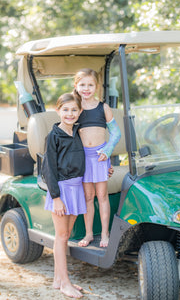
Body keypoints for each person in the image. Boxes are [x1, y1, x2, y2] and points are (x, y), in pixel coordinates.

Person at [41, 93, 86, 298]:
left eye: (74, 110)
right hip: (61, 189)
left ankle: (58, 280)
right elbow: (48, 168)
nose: (70, 113)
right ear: (58, 110)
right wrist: (56, 197)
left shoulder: (76, 132)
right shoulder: (53, 136)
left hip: (76, 188)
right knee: (61, 237)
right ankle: (65, 282)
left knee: (66, 236)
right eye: (65, 109)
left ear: (80, 111)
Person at [73, 68, 121, 248]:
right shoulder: (75, 108)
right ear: (76, 86)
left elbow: (116, 133)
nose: (86, 88)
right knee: (88, 196)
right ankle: (88, 234)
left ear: (97, 87)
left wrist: (107, 151)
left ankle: (105, 235)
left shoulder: (103, 108)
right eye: (82, 84)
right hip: (83, 158)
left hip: (101, 157)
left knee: (102, 196)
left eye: (90, 85)